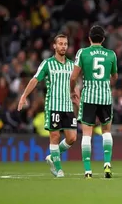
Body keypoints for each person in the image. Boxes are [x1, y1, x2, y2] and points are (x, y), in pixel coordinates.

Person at [18, 34, 78, 178]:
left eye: (65, 44)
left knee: (72, 138)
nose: (63, 46)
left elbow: (74, 83)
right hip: (53, 105)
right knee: (55, 135)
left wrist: (77, 97)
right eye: (60, 44)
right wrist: (24, 96)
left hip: (68, 106)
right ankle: (58, 169)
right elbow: (35, 80)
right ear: (54, 46)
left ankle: (52, 157)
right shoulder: (47, 63)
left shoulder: (71, 65)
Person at [70, 25, 118, 179]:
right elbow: (115, 77)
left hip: (89, 97)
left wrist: (72, 90)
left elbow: (73, 77)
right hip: (105, 97)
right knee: (106, 132)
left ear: (89, 38)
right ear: (103, 39)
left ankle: (88, 171)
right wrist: (105, 83)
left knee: (87, 134)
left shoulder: (83, 53)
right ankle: (107, 164)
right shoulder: (111, 54)